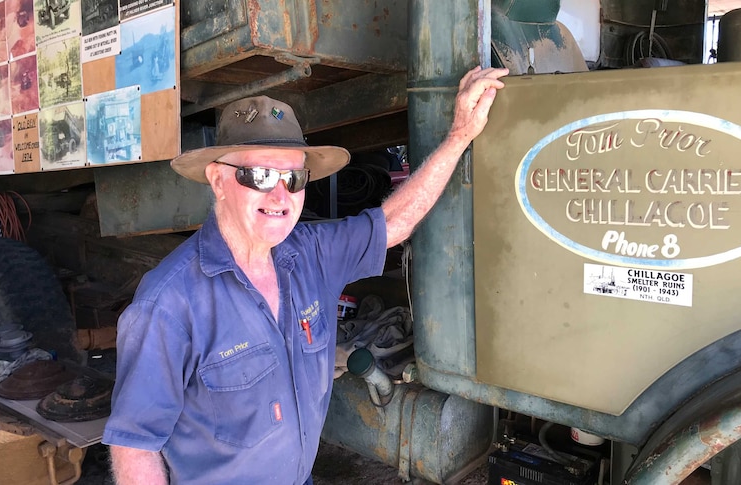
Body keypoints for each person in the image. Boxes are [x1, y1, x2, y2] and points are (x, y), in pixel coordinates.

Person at [102, 65, 510, 484]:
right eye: (259, 176)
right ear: (218, 180)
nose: (280, 195)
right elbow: (135, 445)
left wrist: (460, 135)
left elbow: (395, 222)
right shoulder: (169, 303)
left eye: (293, 177)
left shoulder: (312, 253)